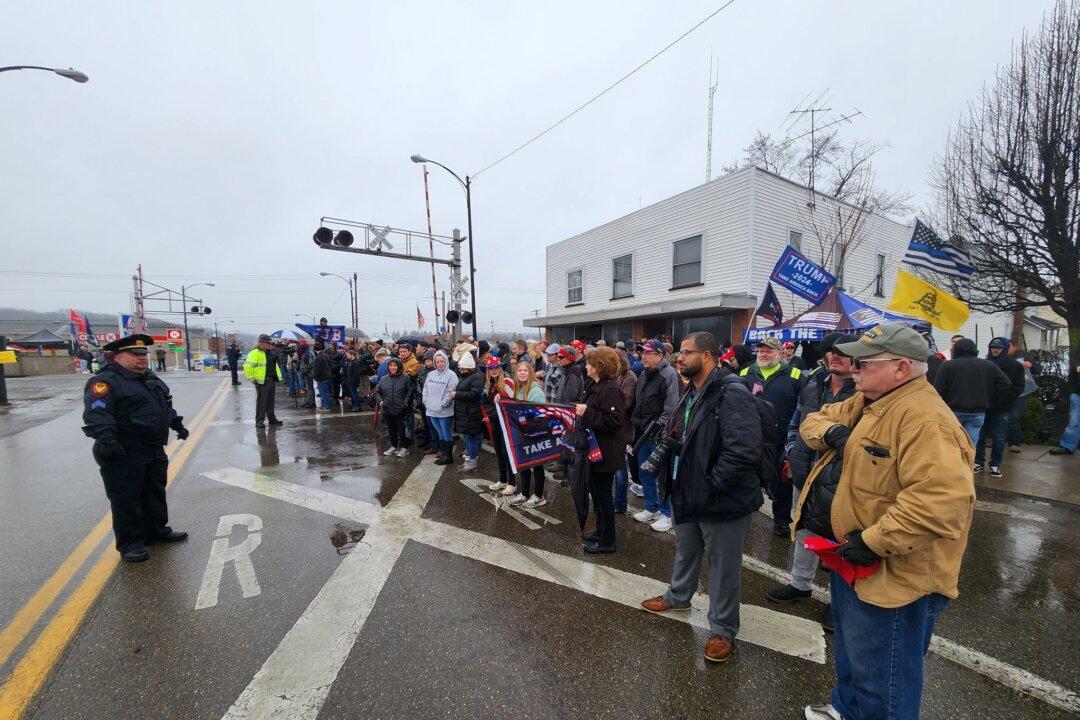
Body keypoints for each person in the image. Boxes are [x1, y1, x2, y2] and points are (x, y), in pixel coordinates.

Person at [796, 324, 975, 720]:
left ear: (901, 367)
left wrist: (874, 540)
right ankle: (846, 709)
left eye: (863, 362)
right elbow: (812, 423)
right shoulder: (869, 401)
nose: (851, 369)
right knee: (853, 656)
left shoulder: (926, 420)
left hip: (895, 572)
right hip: (854, 561)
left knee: (886, 678)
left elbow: (939, 502)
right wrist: (837, 433)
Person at [639, 332, 762, 663]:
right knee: (686, 548)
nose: (679, 357)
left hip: (720, 498)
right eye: (679, 352)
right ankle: (679, 596)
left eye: (686, 352)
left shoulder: (732, 393)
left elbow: (744, 450)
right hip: (687, 489)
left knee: (723, 566)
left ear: (707, 356)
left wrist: (713, 484)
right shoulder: (690, 390)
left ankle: (722, 629)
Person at [765, 332, 857, 629]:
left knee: (839, 539)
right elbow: (797, 421)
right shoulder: (813, 384)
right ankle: (800, 583)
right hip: (805, 473)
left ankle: (837, 601)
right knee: (804, 528)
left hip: (842, 480)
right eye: (830, 350)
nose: (835, 355)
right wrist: (792, 450)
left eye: (842, 351)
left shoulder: (863, 392)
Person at [82, 334, 190, 562]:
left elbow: (162, 406)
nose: (142, 359)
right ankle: (130, 543)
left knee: (154, 492)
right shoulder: (105, 382)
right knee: (126, 498)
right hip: (124, 449)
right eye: (136, 354)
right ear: (118, 356)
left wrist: (175, 423)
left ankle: (157, 531)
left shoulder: (148, 378)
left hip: (151, 447)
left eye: (144, 354)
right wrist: (107, 440)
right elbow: (97, 414)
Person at [739, 337, 805, 536]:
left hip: (780, 441)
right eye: (760, 350)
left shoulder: (795, 376)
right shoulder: (745, 373)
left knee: (782, 483)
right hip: (751, 439)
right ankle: (744, 515)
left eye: (768, 351)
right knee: (747, 478)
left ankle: (782, 520)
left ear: (780, 353)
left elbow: (803, 408)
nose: (763, 354)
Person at [574, 347, 628, 554]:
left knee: (604, 498)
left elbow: (614, 421)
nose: (586, 366)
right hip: (595, 450)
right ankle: (600, 531)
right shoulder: (597, 386)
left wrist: (587, 413)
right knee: (596, 495)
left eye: (590, 363)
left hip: (605, 452)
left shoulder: (611, 390)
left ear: (599, 366)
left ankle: (607, 541)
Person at [628, 338, 681, 532]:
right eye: (643, 352)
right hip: (642, 431)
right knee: (644, 471)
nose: (644, 356)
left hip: (658, 434)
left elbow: (671, 408)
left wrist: (658, 429)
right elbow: (639, 401)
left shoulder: (669, 375)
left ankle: (667, 514)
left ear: (660, 355)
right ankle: (652, 507)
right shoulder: (643, 374)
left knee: (662, 476)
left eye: (649, 353)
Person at [933, 338, 1012, 445]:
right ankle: (968, 461)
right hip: (978, 411)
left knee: (951, 444)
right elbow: (1006, 384)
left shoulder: (948, 365)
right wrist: (990, 398)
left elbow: (937, 389)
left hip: (953, 410)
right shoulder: (989, 365)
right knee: (970, 445)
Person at [975, 337, 1026, 477]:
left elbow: (1018, 387)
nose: (995, 350)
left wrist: (1004, 399)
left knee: (999, 438)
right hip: (983, 405)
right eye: (993, 348)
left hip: (1002, 407)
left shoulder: (1016, 366)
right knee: (979, 436)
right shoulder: (983, 364)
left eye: (998, 348)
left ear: (1005, 349)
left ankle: (995, 464)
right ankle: (978, 461)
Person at [506, 360, 548, 507]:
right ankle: (524, 493)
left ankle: (538, 495)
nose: (522, 373)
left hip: (535, 432)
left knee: (537, 464)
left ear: (530, 373)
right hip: (522, 432)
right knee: (523, 463)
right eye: (519, 371)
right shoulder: (519, 389)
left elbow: (541, 414)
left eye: (525, 370)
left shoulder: (535, 391)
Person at [483, 357, 517, 493]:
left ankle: (512, 483)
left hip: (506, 423)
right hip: (495, 423)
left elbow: (509, 404)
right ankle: (503, 479)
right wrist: (491, 413)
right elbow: (485, 403)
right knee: (498, 451)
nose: (494, 370)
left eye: (496, 367)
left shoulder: (507, 382)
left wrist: (494, 411)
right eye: (491, 368)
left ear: (500, 368)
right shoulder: (488, 384)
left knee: (506, 452)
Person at [611, 348, 638, 515]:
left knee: (620, 470)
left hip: (624, 430)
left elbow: (625, 404)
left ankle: (620, 503)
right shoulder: (617, 377)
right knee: (616, 469)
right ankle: (617, 500)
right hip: (615, 429)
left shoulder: (629, 378)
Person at [423, 350, 458, 465]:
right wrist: (425, 400)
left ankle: (448, 457)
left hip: (444, 411)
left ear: (446, 361)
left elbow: (451, 391)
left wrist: (444, 403)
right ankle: (443, 453)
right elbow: (425, 388)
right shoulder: (431, 374)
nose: (440, 364)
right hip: (431, 410)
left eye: (442, 361)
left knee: (446, 432)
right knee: (439, 432)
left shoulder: (451, 375)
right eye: (437, 361)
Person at [451, 352, 484, 472]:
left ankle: (472, 461)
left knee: (471, 440)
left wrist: (457, 394)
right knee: (467, 439)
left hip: (471, 414)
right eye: (460, 368)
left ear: (469, 367)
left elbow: (475, 394)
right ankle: (468, 460)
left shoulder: (476, 377)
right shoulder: (466, 376)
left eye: (463, 368)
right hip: (465, 413)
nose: (460, 370)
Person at [375, 357, 413, 457]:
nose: (393, 367)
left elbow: (410, 391)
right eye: (391, 365)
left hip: (400, 409)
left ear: (399, 366)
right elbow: (377, 392)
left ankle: (404, 448)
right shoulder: (384, 378)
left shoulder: (405, 378)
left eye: (395, 365)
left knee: (401, 429)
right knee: (391, 429)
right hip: (387, 408)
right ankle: (393, 446)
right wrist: (380, 401)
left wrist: (405, 402)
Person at [243, 334, 283, 428]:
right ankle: (259, 421)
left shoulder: (270, 352)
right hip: (262, 381)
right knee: (262, 402)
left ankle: (271, 419)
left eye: (270, 342)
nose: (270, 344)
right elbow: (248, 366)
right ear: (261, 343)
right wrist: (252, 378)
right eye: (267, 342)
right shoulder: (255, 353)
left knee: (271, 401)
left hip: (271, 379)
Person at [1050, 359, 1080, 455]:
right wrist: (1072, 393)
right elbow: (1071, 377)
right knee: (1074, 422)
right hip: (1077, 395)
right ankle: (1067, 446)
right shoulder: (1078, 361)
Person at [311, 342, 334, 411]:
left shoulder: (319, 357)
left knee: (323, 393)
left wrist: (314, 376)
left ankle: (326, 407)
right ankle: (324, 406)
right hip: (328, 376)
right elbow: (330, 365)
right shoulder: (326, 355)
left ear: (315, 349)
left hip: (321, 378)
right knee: (326, 392)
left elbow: (318, 369)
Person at [297, 340, 315, 408]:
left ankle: (311, 402)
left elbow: (310, 364)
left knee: (310, 388)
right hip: (307, 372)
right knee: (309, 388)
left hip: (308, 373)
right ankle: (309, 401)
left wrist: (304, 371)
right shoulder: (308, 352)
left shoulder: (308, 353)